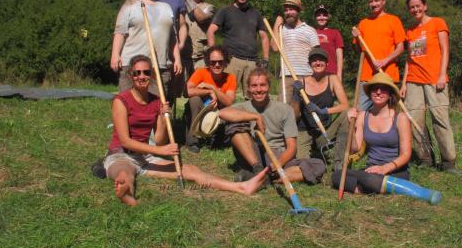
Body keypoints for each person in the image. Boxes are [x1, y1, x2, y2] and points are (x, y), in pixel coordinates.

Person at [103, 55, 268, 206]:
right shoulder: (121, 100)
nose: (141, 76)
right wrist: (158, 150)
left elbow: (160, 140)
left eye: (146, 72)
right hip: (121, 154)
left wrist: (162, 117)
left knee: (191, 170)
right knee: (125, 174)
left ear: (152, 74)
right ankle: (128, 194)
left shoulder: (156, 101)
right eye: (137, 73)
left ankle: (241, 187)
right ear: (131, 76)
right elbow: (125, 140)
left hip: (145, 158)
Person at [332, 72, 441, 204]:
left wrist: (384, 169)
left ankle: (421, 193)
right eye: (375, 88)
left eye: (383, 89)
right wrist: (351, 125)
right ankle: (373, 188)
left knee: (368, 179)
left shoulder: (400, 118)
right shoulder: (362, 116)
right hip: (371, 170)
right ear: (370, 92)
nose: (378, 92)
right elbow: (354, 148)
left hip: (395, 171)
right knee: (338, 176)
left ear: (390, 94)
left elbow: (406, 155)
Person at [219, 68, 325, 184]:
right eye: (254, 86)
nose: (259, 90)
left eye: (262, 85)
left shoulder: (285, 110)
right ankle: (258, 169)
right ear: (248, 89)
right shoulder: (242, 107)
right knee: (234, 123)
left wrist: (279, 163)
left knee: (318, 165)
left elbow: (292, 147)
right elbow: (222, 113)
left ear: (269, 86)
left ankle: (265, 178)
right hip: (252, 154)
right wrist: (256, 117)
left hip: (276, 155)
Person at [399, 0, 458, 174]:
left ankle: (448, 162)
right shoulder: (410, 31)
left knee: (439, 119)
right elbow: (409, 59)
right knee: (415, 120)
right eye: (412, 7)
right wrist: (404, 83)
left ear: (425, 6)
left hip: (434, 79)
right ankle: (426, 158)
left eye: (418, 6)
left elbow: (445, 49)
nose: (415, 9)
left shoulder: (438, 23)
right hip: (414, 81)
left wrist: (442, 75)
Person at [110, 0, 181, 94]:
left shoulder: (166, 7)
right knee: (129, 104)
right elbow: (120, 32)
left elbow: (173, 37)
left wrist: (177, 59)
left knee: (156, 107)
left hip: (159, 65)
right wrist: (115, 54)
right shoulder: (130, 4)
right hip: (132, 64)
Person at [207, 0, 269, 99]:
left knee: (254, 97)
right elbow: (211, 31)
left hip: (252, 62)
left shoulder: (255, 14)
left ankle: (250, 118)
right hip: (232, 60)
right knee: (225, 94)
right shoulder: (226, 11)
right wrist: (213, 53)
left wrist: (266, 59)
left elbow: (264, 37)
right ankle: (223, 117)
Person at [291, 48, 349, 171]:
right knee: (303, 166)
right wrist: (296, 96)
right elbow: (294, 116)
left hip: (325, 130)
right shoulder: (301, 82)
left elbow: (345, 106)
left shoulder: (333, 79)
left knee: (348, 114)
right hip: (304, 131)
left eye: (321, 60)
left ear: (327, 63)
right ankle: (313, 154)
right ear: (309, 64)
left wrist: (323, 111)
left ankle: (338, 161)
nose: (317, 63)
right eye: (314, 60)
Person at [351, 0, 406, 111]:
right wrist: (356, 38)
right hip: (366, 76)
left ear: (383, 1)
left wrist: (384, 61)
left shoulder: (393, 20)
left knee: (389, 114)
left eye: (377, 0)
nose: (374, 4)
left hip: (387, 75)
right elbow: (359, 51)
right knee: (361, 112)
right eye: (371, 1)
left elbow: (401, 48)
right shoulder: (363, 23)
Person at [185, 45, 237, 153]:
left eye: (220, 62)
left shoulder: (231, 78)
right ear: (208, 62)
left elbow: (229, 102)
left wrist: (213, 89)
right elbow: (188, 91)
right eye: (213, 62)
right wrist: (208, 91)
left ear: (225, 62)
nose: (217, 65)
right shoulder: (200, 72)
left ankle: (214, 138)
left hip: (217, 112)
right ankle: (193, 141)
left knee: (231, 110)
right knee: (194, 100)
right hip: (200, 109)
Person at [272, 0, 320, 104]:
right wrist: (276, 25)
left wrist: (316, 77)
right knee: (283, 110)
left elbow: (317, 56)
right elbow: (275, 48)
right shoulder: (281, 29)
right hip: (286, 77)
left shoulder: (310, 30)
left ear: (299, 11)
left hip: (307, 76)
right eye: (286, 10)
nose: (288, 12)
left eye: (292, 9)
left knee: (306, 110)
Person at [157, 0, 188, 104]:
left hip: (171, 48)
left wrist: (180, 45)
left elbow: (182, 25)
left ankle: (167, 123)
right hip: (152, 46)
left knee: (168, 87)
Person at [180, 0, 215, 72]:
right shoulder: (180, 7)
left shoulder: (209, 7)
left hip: (201, 59)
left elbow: (201, 18)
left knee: (201, 87)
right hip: (183, 57)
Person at [313, 4, 344, 81]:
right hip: (314, 72)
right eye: (319, 15)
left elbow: (339, 55)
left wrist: (339, 74)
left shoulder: (335, 33)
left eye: (324, 15)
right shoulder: (311, 32)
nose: (321, 17)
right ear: (315, 17)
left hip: (331, 72)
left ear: (328, 17)